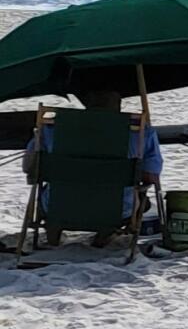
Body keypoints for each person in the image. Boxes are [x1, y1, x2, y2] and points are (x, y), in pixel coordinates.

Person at [23, 87, 163, 246]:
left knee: (57, 189)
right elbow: (150, 176)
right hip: (116, 210)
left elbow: (30, 167)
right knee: (141, 198)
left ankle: (53, 231)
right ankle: (106, 232)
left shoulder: (51, 128)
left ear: (86, 104)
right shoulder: (141, 133)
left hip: (57, 206)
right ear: (118, 106)